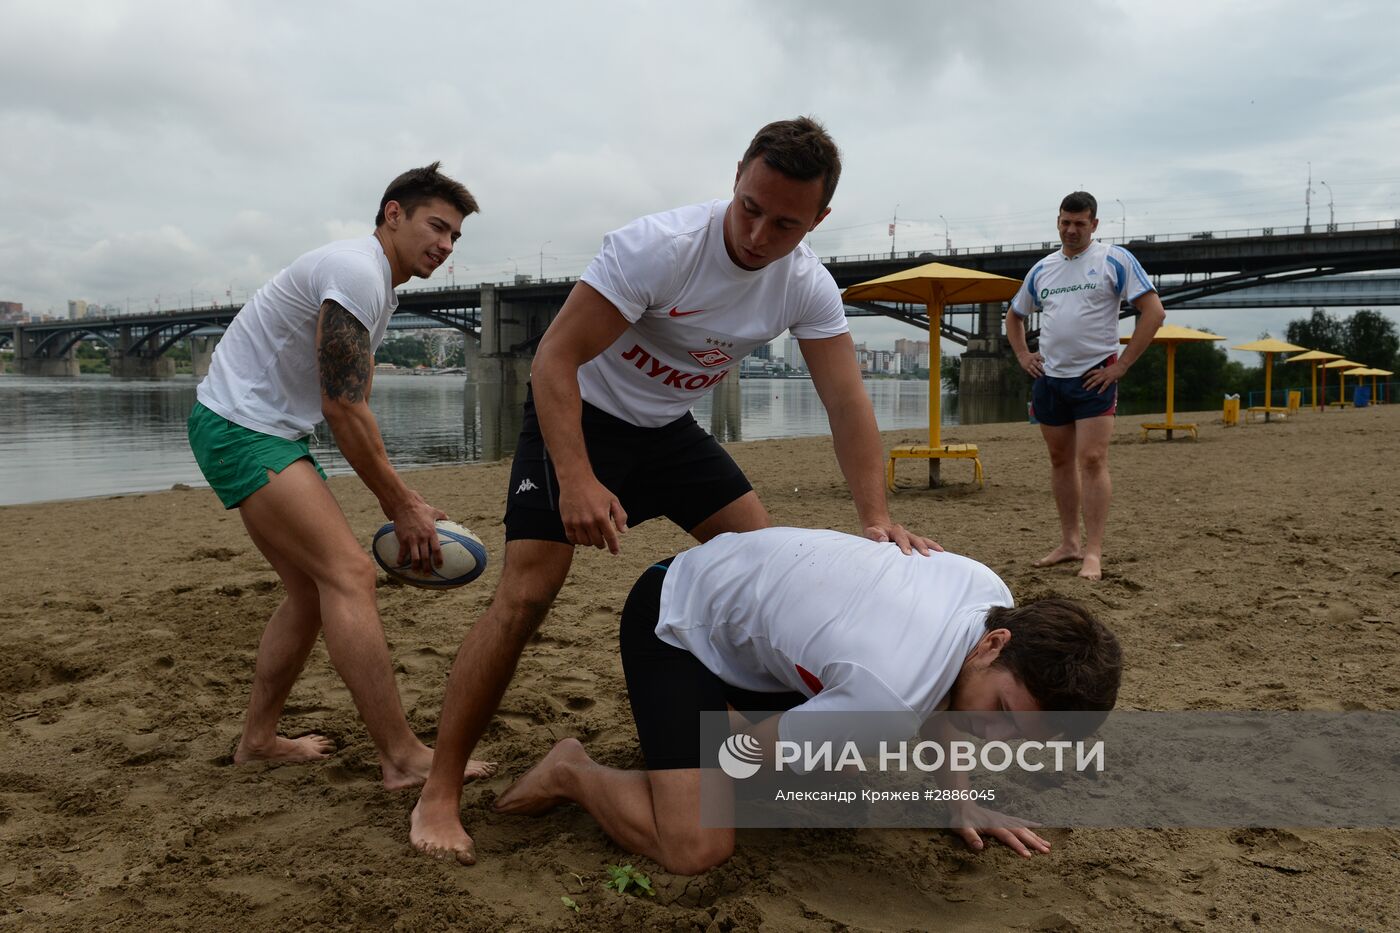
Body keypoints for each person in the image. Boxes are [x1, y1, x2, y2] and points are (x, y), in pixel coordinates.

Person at [411, 117, 938, 861]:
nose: (757, 233)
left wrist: (876, 517)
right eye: (749, 206)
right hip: (580, 414)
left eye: (784, 222)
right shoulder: (657, 247)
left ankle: (733, 741)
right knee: (528, 591)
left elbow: (847, 401)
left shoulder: (807, 286)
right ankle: (439, 790)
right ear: (735, 180)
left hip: (668, 431)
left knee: (771, 571)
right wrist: (578, 478)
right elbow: (552, 361)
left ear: (817, 220)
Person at [491, 526, 1123, 874]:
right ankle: (572, 769)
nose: (1001, 742)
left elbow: (947, 704)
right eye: (1007, 715)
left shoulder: (989, 591)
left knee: (843, 768)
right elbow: (741, 751)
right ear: (995, 643)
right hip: (676, 616)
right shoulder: (886, 696)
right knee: (697, 847)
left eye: (1025, 740)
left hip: (753, 614)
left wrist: (957, 798)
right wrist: (725, 765)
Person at [187, 162, 495, 789]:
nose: (445, 244)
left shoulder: (376, 281)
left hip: (253, 427)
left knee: (310, 591)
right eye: (436, 225)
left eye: (456, 236)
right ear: (392, 214)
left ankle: (257, 739)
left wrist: (400, 496)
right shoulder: (357, 270)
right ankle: (402, 756)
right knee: (351, 574)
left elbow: (354, 400)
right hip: (245, 428)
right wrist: (401, 505)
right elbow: (342, 406)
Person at [1005, 191, 1166, 580]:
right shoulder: (1043, 269)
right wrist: (1025, 356)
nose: (1071, 230)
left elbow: (1154, 312)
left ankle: (1093, 552)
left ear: (1094, 224)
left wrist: (1121, 366)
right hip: (1051, 379)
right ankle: (1069, 543)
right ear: (1057, 222)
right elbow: (1014, 316)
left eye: (1079, 223)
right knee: (1060, 461)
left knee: (1092, 459)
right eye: (1065, 222)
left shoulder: (1114, 259)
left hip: (1095, 375)